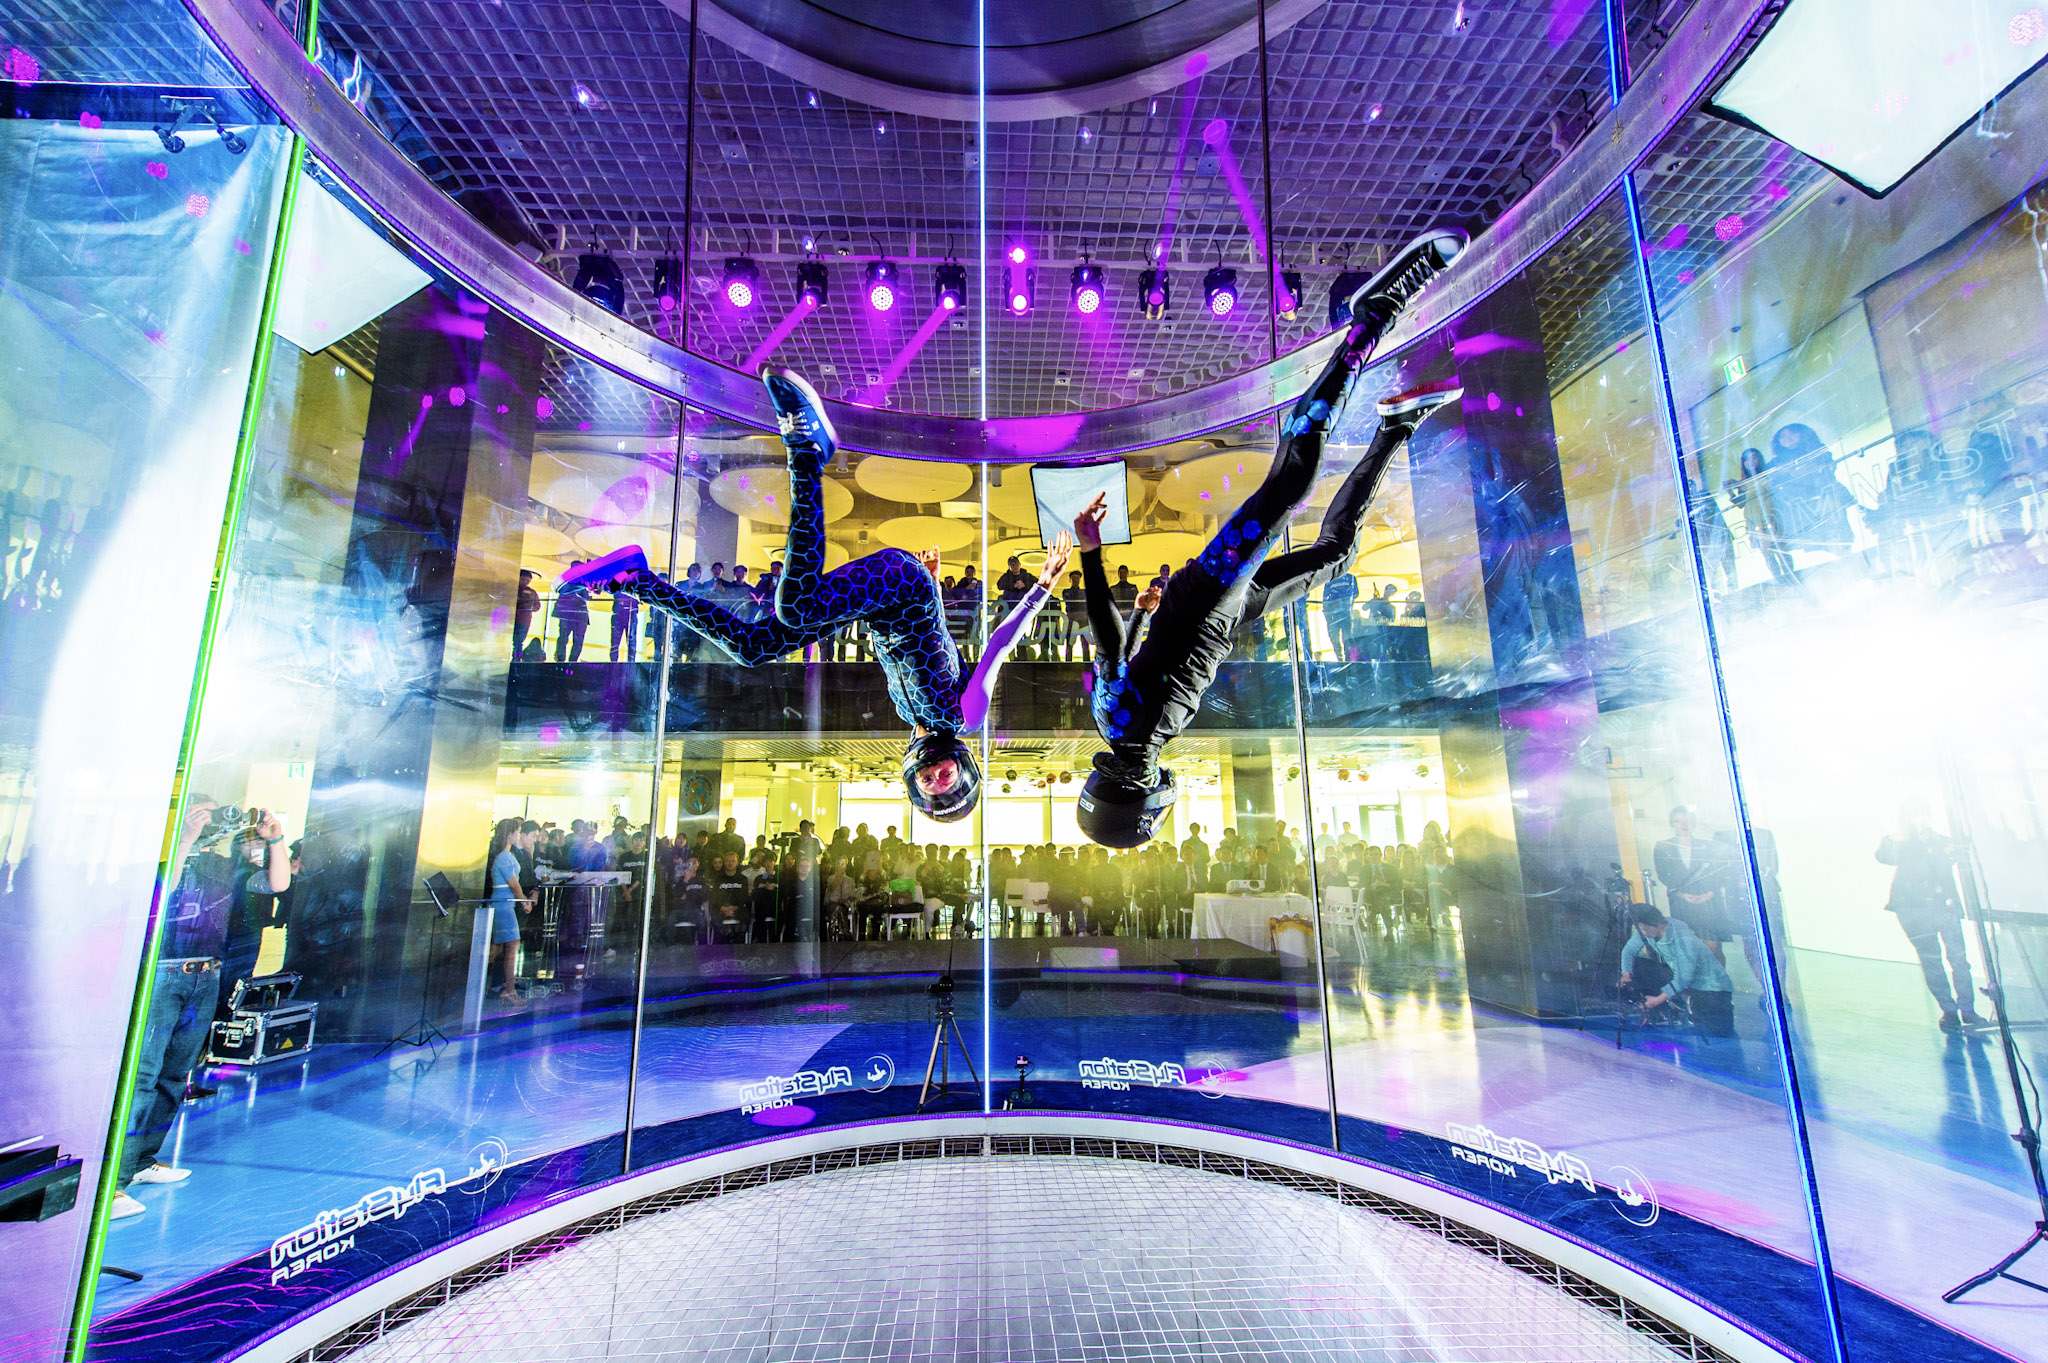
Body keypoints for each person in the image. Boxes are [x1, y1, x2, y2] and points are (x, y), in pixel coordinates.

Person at [1068, 228, 1468, 847]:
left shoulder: (1123, 731)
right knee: (1335, 555)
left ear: (1134, 801)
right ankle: (1395, 427)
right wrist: (1147, 613)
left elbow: (1109, 644)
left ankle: (1374, 316)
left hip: (1209, 595)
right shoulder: (1136, 734)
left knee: (1291, 481)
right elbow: (1134, 659)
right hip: (1226, 612)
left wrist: (1092, 556)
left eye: (1150, 816)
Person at [562, 367, 1067, 825]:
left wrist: (935, 588)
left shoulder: (907, 714)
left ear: (913, 779)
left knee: (752, 648)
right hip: (901, 585)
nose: (935, 774)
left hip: (886, 603)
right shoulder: (965, 717)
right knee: (796, 607)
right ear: (962, 764)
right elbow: (998, 645)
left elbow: (934, 647)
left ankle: (635, 579)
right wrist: (1042, 586)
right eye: (947, 778)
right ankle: (807, 449)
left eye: (929, 784)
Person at [110, 797, 290, 1220]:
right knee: (142, 1076)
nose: (214, 820)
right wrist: (187, 837)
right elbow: (163, 890)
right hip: (162, 972)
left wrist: (275, 839)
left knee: (175, 1075)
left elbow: (278, 884)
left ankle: (140, 1161)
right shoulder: (164, 853)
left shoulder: (223, 865)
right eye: (204, 812)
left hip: (206, 974)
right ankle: (112, 1183)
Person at [1878, 800, 1985, 1031]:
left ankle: (1967, 1010)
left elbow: (1962, 853)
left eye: (1923, 813)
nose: (1920, 819)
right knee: (1932, 961)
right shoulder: (1900, 843)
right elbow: (1884, 856)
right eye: (1914, 814)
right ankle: (1949, 1010)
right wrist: (1899, 835)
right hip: (1914, 911)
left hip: (1943, 908)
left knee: (1958, 960)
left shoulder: (1944, 843)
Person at [1619, 904, 1734, 1036]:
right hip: (1683, 980)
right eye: (1640, 929)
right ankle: (1662, 1009)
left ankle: (1678, 1003)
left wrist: (1657, 1000)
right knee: (1641, 966)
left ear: (1658, 924)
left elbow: (1683, 978)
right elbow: (1629, 950)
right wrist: (1626, 974)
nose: (1643, 933)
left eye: (1645, 929)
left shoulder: (1683, 939)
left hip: (1711, 987)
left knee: (1718, 1033)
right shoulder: (1647, 929)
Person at [1653, 805, 1734, 966]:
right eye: (1678, 821)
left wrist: (1710, 893)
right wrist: (1682, 894)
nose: (1684, 824)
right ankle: (1700, 982)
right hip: (1682, 903)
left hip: (1709, 903)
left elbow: (1719, 873)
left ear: (1694, 822)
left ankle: (1720, 980)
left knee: (1714, 947)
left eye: (1688, 820)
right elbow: (1663, 874)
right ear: (1672, 824)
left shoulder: (1708, 845)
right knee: (1689, 948)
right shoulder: (1663, 846)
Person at [486, 817, 529, 1006]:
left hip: (506, 903)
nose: (518, 835)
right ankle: (509, 990)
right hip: (503, 904)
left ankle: (507, 988)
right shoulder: (503, 857)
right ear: (509, 834)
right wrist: (524, 901)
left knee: (500, 947)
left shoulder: (508, 855)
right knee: (512, 945)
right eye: (517, 832)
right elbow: (513, 884)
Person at [553, 567, 591, 660]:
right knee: (565, 638)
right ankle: (564, 660)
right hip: (570, 615)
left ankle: (570, 661)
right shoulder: (567, 583)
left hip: (577, 615)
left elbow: (587, 597)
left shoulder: (580, 583)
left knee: (575, 639)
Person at [513, 569, 541, 658]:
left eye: (527, 580)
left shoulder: (532, 592)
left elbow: (537, 606)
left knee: (519, 642)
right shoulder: (513, 589)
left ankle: (516, 658)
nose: (525, 582)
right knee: (516, 641)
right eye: (523, 579)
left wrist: (529, 607)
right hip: (514, 618)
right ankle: (516, 658)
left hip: (524, 620)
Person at [609, 580, 640, 661]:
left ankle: (630, 664)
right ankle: (614, 663)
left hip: (630, 614)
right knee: (615, 642)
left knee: (631, 643)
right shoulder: (619, 580)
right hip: (619, 613)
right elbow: (613, 591)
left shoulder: (635, 581)